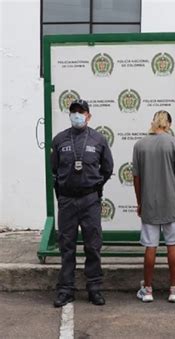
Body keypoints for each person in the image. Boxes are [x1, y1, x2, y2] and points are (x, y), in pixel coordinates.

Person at [51, 99, 114, 307]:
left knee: (93, 245)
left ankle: (94, 288)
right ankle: (66, 289)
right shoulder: (59, 140)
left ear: (88, 115)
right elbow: (54, 170)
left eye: (81, 111)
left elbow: (107, 169)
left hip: (90, 200)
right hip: (67, 200)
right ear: (69, 115)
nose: (77, 115)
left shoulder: (98, 139)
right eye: (73, 112)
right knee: (66, 246)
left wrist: (93, 188)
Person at [133, 110, 175, 303]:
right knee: (172, 245)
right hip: (171, 204)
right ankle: (173, 289)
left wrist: (139, 202)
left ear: (153, 122)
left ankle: (147, 290)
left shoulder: (140, 145)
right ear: (168, 124)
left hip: (149, 204)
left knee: (150, 247)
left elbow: (136, 178)